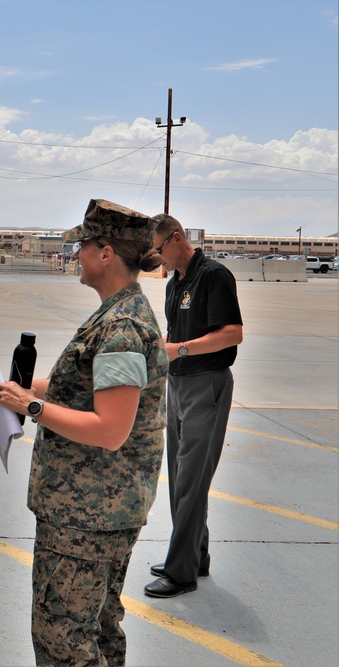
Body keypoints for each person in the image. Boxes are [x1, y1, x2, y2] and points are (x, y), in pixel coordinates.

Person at [0, 199, 168, 665]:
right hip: (99, 509)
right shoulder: (118, 314)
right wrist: (15, 390)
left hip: (87, 514)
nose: (76, 255)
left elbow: (110, 429)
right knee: (100, 628)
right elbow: (84, 389)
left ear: (106, 253)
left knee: (63, 638)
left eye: (83, 246)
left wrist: (33, 406)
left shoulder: (121, 327)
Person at [143, 213, 243, 598]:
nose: (159, 258)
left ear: (177, 238)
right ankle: (195, 554)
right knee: (179, 475)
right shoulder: (174, 284)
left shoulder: (213, 276)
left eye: (159, 249)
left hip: (207, 385)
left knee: (191, 480)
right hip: (178, 386)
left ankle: (181, 572)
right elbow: (174, 333)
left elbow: (232, 333)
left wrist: (181, 349)